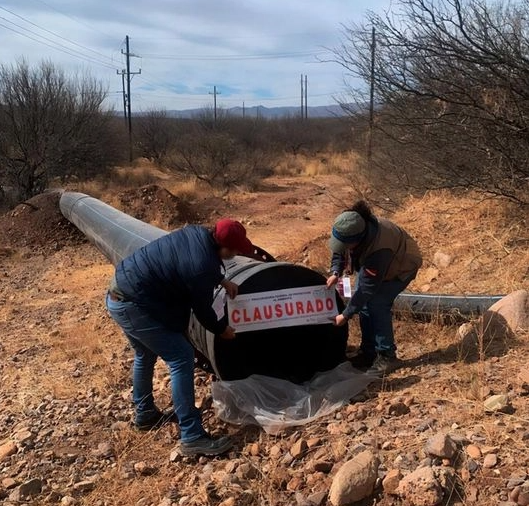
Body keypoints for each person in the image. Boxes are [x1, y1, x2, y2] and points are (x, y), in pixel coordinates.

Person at [106, 218, 255, 457]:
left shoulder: (197, 233)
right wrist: (222, 330)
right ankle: (192, 436)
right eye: (235, 250)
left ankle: (145, 415)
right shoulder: (202, 266)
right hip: (134, 305)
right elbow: (203, 310)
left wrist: (222, 280)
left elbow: (188, 264)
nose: (237, 253)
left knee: (145, 353)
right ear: (223, 246)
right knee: (181, 357)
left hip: (119, 295)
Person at [327, 201, 422, 376]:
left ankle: (387, 356)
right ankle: (368, 352)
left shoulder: (379, 250)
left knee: (377, 304)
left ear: (358, 240)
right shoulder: (350, 227)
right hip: (377, 264)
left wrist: (345, 315)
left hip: (400, 264)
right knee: (363, 306)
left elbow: (366, 290)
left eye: (346, 244)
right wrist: (335, 272)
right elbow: (339, 250)